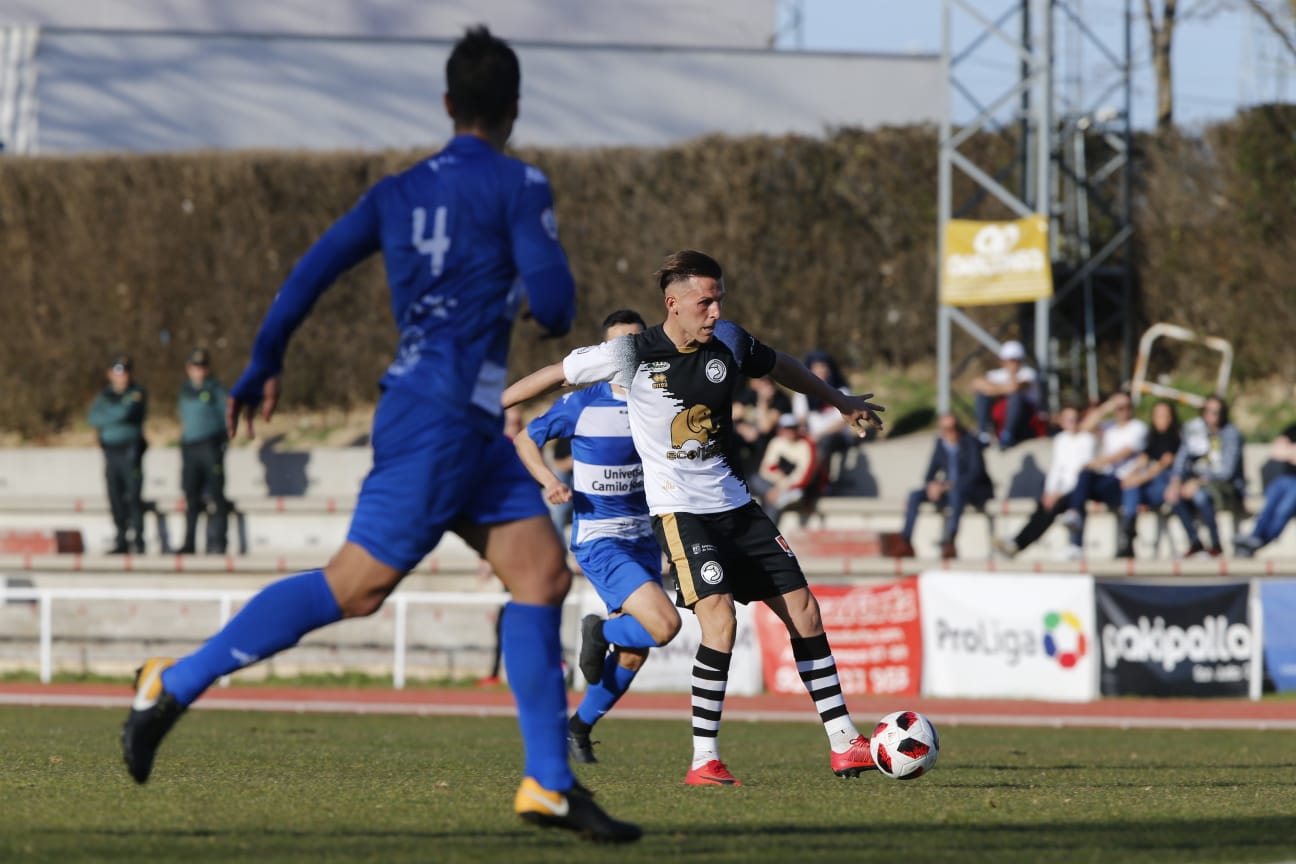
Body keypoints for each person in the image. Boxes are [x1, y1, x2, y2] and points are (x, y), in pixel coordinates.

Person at [119, 27, 641, 844]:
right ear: (512, 109)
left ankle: (548, 783)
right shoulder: (520, 183)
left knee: (539, 575)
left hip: (461, 419)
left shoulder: (394, 193)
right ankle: (173, 682)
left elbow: (312, 269)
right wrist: (531, 249)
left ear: (446, 105)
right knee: (356, 587)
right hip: (437, 419)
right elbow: (552, 306)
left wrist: (264, 361)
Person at [504, 249, 885, 787]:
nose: (714, 311)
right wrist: (490, 405)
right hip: (681, 513)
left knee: (805, 612)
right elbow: (552, 374)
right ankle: (704, 758)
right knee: (721, 622)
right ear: (673, 303)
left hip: (737, 505)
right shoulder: (631, 353)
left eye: (718, 300)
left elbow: (782, 367)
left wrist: (838, 399)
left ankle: (846, 743)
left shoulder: (729, 340)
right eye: (704, 301)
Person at [512, 309, 681, 766]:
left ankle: (578, 729)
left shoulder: (664, 401)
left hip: (642, 540)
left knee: (633, 655)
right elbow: (526, 439)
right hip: (600, 538)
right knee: (664, 627)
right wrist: (548, 480)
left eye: (633, 341)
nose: (625, 352)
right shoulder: (582, 404)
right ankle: (599, 629)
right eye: (615, 345)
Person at [993, 402, 1095, 558]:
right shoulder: (1061, 440)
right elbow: (1057, 469)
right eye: (1069, 420)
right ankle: (1016, 543)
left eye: (1075, 419)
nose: (1073, 423)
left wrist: (1059, 494)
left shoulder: (1087, 439)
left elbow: (1081, 472)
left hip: (1081, 487)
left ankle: (1075, 545)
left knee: (1063, 505)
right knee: (1043, 509)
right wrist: (1049, 492)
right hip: (1063, 490)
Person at [1058, 391, 1148, 560]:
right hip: (1108, 480)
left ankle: (1124, 544)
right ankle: (1076, 543)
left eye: (1125, 407)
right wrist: (1108, 405)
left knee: (1085, 477)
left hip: (1124, 481)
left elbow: (1125, 452)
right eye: (1119, 408)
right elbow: (1084, 427)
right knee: (1082, 482)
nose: (1122, 411)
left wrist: (1100, 461)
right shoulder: (1109, 427)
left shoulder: (1138, 426)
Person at [894, 412, 994, 560]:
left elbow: (975, 474)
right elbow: (929, 473)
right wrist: (932, 485)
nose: (949, 432)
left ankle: (951, 540)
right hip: (949, 490)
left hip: (973, 491)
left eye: (952, 428)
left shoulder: (970, 442)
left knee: (956, 493)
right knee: (914, 495)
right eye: (945, 429)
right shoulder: (941, 444)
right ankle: (906, 540)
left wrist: (946, 486)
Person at [1165, 395, 1245, 558]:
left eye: (1216, 412)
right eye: (1208, 411)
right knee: (1173, 496)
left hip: (1225, 486)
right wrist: (1175, 482)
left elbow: (1226, 472)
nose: (1212, 416)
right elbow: (1182, 457)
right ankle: (1195, 542)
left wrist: (1197, 482)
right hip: (1197, 482)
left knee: (1200, 496)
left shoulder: (1231, 434)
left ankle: (1216, 543)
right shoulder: (1195, 430)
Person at [88, 353, 148, 554]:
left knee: (133, 496)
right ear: (110, 374)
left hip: (130, 452)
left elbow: (127, 412)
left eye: (125, 371)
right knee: (115, 497)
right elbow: (94, 418)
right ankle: (121, 538)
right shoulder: (104, 396)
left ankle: (139, 540)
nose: (122, 376)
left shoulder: (137, 392)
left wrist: (110, 414)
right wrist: (116, 413)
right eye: (118, 371)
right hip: (111, 452)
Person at [177, 347, 230, 555]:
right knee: (191, 498)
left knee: (217, 496)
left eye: (202, 367)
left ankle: (219, 541)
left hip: (210, 446)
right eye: (194, 367)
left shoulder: (215, 389)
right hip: (190, 448)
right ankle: (189, 542)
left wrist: (221, 443)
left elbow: (226, 417)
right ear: (188, 369)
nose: (198, 371)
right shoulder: (185, 390)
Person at [1115, 399, 1181, 558]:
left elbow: (1161, 467)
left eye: (1165, 415)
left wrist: (1137, 480)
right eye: (1158, 415)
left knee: (1133, 485)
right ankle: (1128, 533)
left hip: (1164, 485)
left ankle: (1128, 530)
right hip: (1148, 483)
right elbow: (1142, 460)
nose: (1161, 419)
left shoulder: (1175, 439)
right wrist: (1132, 475)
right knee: (1131, 487)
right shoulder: (1151, 437)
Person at [790, 350, 858, 490]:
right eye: (817, 367)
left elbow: (843, 421)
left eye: (824, 366)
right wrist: (804, 432)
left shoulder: (842, 392)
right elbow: (801, 418)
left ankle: (821, 483)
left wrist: (819, 435)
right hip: (812, 436)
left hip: (835, 436)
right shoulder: (802, 393)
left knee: (824, 443)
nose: (821, 370)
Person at [1234, 420, 1296, 557]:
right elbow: (1276, 451)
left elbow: (1285, 452)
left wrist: (1290, 450)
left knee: (1283, 510)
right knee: (1269, 506)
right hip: (1285, 479)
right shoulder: (1292, 428)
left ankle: (1261, 541)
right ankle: (1254, 537)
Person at [971, 339, 1042, 449]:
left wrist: (993, 388)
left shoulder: (1028, 373)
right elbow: (977, 383)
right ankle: (983, 434)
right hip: (1001, 417)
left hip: (1025, 420)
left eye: (1014, 360)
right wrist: (1003, 388)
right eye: (1008, 360)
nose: (1011, 364)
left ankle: (1008, 435)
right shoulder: (998, 374)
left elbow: (1016, 387)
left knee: (1015, 396)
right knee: (982, 395)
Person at [752, 413, 819, 524]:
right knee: (756, 480)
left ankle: (768, 533)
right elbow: (766, 468)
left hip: (796, 488)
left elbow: (804, 477)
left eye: (792, 428)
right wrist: (776, 488)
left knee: (776, 501)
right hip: (775, 485)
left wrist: (780, 489)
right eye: (786, 428)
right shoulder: (776, 442)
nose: (789, 432)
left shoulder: (806, 445)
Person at [732, 375, 792, 476]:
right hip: (746, 436)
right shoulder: (750, 394)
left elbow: (765, 427)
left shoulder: (781, 399)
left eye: (766, 382)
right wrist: (741, 428)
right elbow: (732, 413)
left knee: (760, 439)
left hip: (768, 440)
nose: (763, 385)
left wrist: (762, 400)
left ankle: (756, 476)